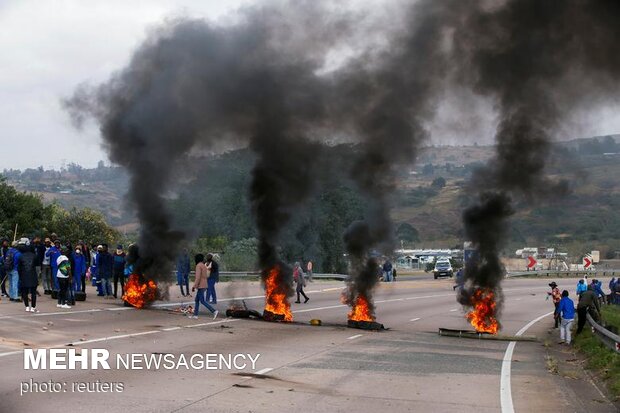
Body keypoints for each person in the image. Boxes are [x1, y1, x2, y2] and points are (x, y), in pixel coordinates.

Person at [190, 254, 217, 319]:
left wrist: (194, 286)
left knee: (202, 301)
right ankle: (195, 315)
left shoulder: (198, 266)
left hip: (201, 286)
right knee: (197, 300)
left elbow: (198, 277)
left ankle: (214, 311)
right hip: (205, 284)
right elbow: (207, 275)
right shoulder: (204, 265)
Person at [17, 239, 39, 312]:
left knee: (25, 292)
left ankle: (26, 306)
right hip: (33, 275)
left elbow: (19, 268)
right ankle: (33, 307)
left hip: (24, 276)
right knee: (33, 293)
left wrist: (20, 276)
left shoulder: (21, 256)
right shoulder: (35, 256)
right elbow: (37, 265)